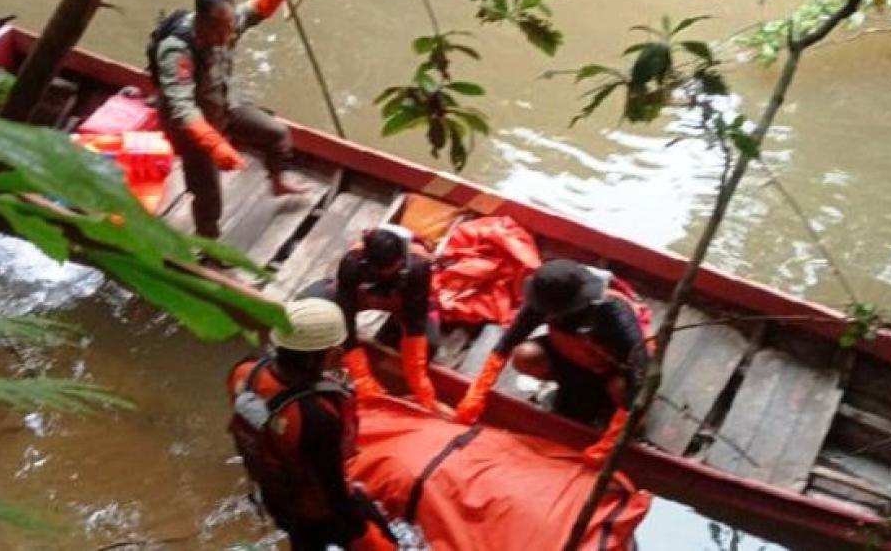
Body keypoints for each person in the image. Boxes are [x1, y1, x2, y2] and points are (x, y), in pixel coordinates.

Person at [226, 298, 396, 551]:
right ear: (330, 355)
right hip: (318, 513)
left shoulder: (245, 372)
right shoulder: (315, 416)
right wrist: (363, 534)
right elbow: (335, 495)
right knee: (386, 541)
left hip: (277, 500)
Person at [453, 259, 651, 467]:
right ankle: (573, 389)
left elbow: (640, 372)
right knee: (525, 355)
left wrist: (610, 441)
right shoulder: (543, 300)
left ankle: (622, 420)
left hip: (611, 369)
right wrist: (476, 395)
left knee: (622, 389)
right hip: (571, 360)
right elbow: (507, 343)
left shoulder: (613, 309)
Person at [148, 0, 306, 241]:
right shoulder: (177, 51)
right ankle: (208, 245)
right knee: (208, 192)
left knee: (277, 134)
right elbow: (182, 107)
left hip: (222, 104)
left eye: (230, 26)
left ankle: (278, 181)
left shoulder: (228, 23)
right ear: (200, 21)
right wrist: (214, 144)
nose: (227, 35)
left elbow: (252, 12)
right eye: (218, 29)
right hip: (191, 126)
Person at [301, 225, 440, 411]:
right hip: (364, 295)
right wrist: (361, 376)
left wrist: (420, 383)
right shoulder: (352, 262)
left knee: (430, 343)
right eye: (381, 270)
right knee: (312, 303)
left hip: (404, 301)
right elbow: (345, 316)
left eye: (392, 269)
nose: (386, 273)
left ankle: (403, 389)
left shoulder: (419, 266)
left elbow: (415, 323)